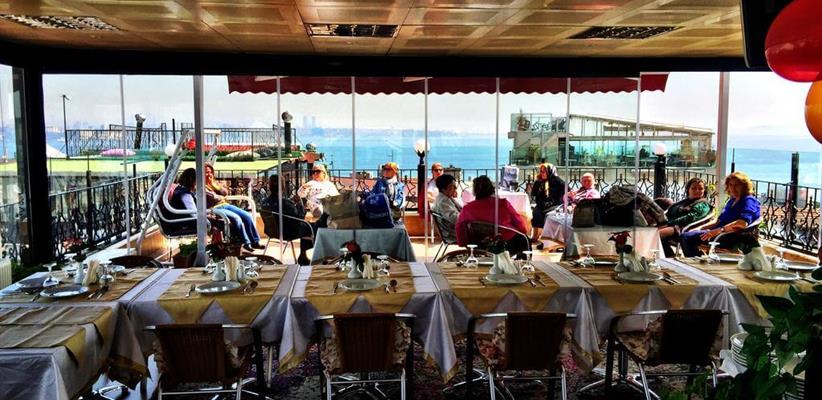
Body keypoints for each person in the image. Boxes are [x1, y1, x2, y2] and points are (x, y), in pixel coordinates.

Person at [680, 172, 761, 257]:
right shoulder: (732, 200)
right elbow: (718, 221)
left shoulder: (749, 201)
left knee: (686, 237)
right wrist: (700, 228)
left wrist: (719, 230)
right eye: (730, 185)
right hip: (718, 234)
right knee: (687, 235)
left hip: (730, 237)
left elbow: (742, 223)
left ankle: (696, 260)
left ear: (744, 186)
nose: (733, 188)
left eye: (737, 185)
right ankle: (698, 259)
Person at [456, 175, 529, 255]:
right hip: (506, 244)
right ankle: (523, 262)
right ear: (492, 189)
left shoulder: (467, 209)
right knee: (524, 239)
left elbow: (460, 230)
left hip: (480, 246)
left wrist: (467, 245)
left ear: (474, 191)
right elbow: (521, 226)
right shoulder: (503, 204)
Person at [204, 164, 263, 252]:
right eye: (206, 172)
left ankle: (255, 241)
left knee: (247, 216)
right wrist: (221, 197)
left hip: (225, 205)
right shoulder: (202, 187)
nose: (209, 174)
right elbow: (213, 197)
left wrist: (215, 185)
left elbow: (225, 192)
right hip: (214, 208)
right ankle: (246, 243)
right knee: (236, 218)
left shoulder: (214, 183)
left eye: (210, 172)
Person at [261, 175, 313, 265]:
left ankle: (303, 256)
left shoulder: (264, 202)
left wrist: (292, 204)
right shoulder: (285, 203)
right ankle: (303, 256)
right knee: (310, 227)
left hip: (272, 232)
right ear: (283, 187)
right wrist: (300, 204)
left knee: (306, 226)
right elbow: (300, 217)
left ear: (269, 186)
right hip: (286, 233)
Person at [658, 177, 712, 257]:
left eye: (700, 188)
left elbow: (689, 218)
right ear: (688, 189)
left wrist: (669, 223)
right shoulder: (685, 201)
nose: (697, 191)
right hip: (671, 224)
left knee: (657, 235)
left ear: (704, 190)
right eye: (693, 188)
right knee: (649, 231)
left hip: (682, 228)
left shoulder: (703, 205)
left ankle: (669, 257)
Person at [530, 163, 566, 246]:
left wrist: (551, 203)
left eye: (544, 171)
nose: (542, 173)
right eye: (541, 171)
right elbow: (535, 195)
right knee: (536, 213)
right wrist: (541, 203)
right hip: (542, 204)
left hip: (555, 205)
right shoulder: (538, 182)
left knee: (548, 215)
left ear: (550, 172)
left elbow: (562, 196)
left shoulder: (558, 182)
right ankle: (535, 236)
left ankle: (546, 238)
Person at [432, 174, 462, 241]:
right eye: (452, 186)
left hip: (453, 230)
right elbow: (455, 219)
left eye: (455, 186)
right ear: (443, 188)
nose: (455, 188)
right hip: (452, 234)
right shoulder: (443, 201)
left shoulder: (446, 197)